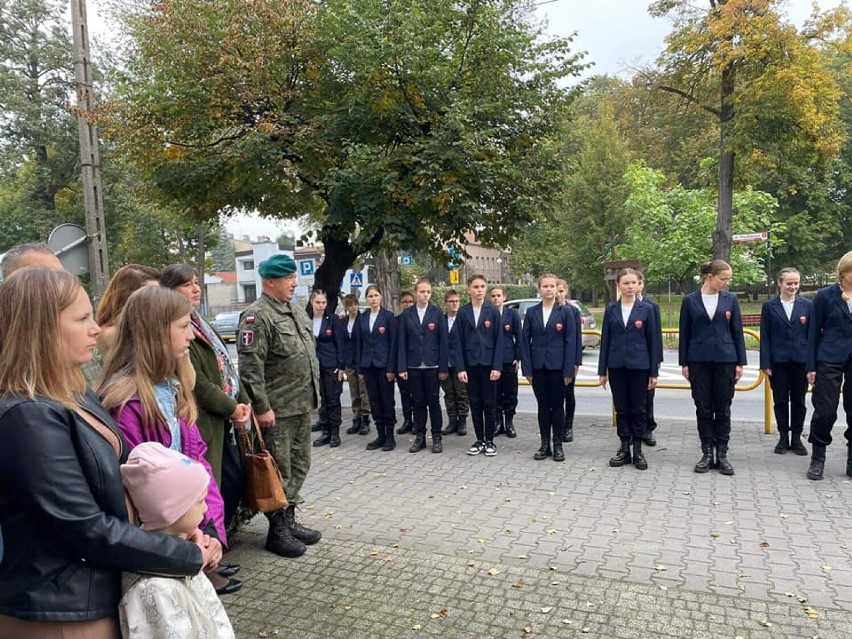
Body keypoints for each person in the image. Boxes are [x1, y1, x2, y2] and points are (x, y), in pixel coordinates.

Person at [0, 267, 207, 637]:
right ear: (40, 329)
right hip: (61, 610)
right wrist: (185, 555)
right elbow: (83, 527)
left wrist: (178, 530)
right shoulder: (27, 415)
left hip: (89, 591)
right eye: (81, 319)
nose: (96, 328)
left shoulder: (70, 392)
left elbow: (125, 469)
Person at [98, 286, 240, 595]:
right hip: (161, 552)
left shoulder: (171, 389)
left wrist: (210, 530)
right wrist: (192, 539)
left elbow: (198, 466)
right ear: (156, 333)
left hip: (185, 539)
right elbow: (145, 496)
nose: (191, 335)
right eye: (183, 326)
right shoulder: (127, 405)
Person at [237, 254, 322, 557]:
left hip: (301, 405)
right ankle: (277, 532)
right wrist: (261, 407)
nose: (294, 283)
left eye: (294, 277)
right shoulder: (257, 316)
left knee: (300, 465)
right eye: (288, 278)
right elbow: (250, 368)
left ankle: (290, 519)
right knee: (279, 471)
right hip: (277, 411)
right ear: (270, 281)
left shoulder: (295, 311)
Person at [160, 264, 251, 540]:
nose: (196, 288)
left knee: (231, 483)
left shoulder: (200, 323)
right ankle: (211, 549)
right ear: (170, 292)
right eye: (187, 284)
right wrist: (231, 407)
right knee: (209, 489)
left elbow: (225, 365)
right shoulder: (175, 327)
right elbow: (198, 383)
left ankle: (218, 542)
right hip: (204, 422)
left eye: (197, 282)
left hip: (221, 422)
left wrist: (243, 401)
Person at [119, 443, 236, 638]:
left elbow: (213, 612)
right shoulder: (153, 589)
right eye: (200, 502)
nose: (206, 509)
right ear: (172, 511)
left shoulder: (186, 552)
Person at [679, 259, 747, 476]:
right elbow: (685, 333)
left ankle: (723, 453)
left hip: (725, 360)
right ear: (710, 277)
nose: (726, 283)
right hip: (698, 360)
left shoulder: (731, 299)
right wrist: (684, 363)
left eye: (729, 279)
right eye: (723, 279)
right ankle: (707, 452)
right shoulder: (690, 300)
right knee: (703, 407)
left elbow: (737, 331)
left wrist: (740, 362)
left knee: (723, 408)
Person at [598, 268, 661, 471]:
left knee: (639, 409)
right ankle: (624, 447)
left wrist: (654, 372)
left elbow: (653, 342)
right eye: (626, 283)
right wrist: (602, 371)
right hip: (616, 366)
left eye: (633, 282)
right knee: (622, 408)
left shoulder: (647, 309)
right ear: (618, 285)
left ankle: (638, 449)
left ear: (639, 284)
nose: (630, 286)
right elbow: (605, 341)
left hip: (640, 366)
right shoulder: (611, 310)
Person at [805, 251, 852, 480]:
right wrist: (811, 366)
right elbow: (813, 332)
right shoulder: (825, 296)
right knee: (825, 409)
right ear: (843, 273)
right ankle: (818, 457)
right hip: (829, 357)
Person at [520, 274, 577, 462]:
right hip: (538, 367)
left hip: (558, 367)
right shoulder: (532, 312)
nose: (549, 289)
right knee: (543, 406)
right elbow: (524, 341)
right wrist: (527, 369)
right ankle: (544, 444)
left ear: (556, 288)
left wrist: (569, 370)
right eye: (545, 286)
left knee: (558, 406)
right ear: (539, 289)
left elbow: (571, 342)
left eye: (552, 286)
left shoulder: (565, 312)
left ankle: (558, 444)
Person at [759, 268, 811, 456]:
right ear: (780, 283)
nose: (793, 287)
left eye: (796, 283)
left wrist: (812, 363)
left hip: (800, 361)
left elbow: (812, 336)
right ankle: (783, 437)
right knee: (780, 400)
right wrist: (766, 363)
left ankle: (797, 438)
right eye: (789, 283)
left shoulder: (807, 305)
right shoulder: (769, 306)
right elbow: (765, 336)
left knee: (799, 401)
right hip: (778, 361)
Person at [397, 278, 449, 453]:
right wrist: (402, 367)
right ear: (415, 292)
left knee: (433, 402)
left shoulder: (437, 313)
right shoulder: (407, 315)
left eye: (428, 292)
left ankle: (436, 437)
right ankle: (420, 437)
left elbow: (443, 342)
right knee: (417, 402)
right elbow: (402, 342)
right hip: (413, 365)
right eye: (421, 291)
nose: (424, 295)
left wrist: (443, 367)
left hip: (432, 365)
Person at [455, 274, 503, 457]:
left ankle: (490, 440)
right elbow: (457, 341)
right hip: (470, 365)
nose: (479, 290)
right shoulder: (463, 312)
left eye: (482, 286)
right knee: (474, 403)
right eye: (475, 287)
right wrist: (460, 368)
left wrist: (497, 367)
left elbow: (499, 340)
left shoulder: (492, 311)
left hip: (489, 364)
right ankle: (479, 439)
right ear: (468, 289)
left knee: (489, 403)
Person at [353, 284, 397, 451]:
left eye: (376, 295)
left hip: (384, 366)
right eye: (370, 296)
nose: (373, 299)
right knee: (374, 401)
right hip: (368, 366)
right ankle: (380, 434)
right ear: (366, 298)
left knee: (387, 400)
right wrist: (359, 369)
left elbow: (393, 344)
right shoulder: (362, 318)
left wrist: (391, 368)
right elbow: (358, 344)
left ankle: (390, 436)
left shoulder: (388, 317)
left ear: (381, 297)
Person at [307, 290, 345, 448]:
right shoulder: (306, 319)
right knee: (322, 399)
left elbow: (340, 344)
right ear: (311, 302)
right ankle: (325, 432)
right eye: (318, 302)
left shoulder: (333, 320)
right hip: (314, 366)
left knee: (333, 399)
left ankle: (335, 433)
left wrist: (341, 366)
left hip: (331, 365)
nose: (321, 306)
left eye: (323, 303)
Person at [636, 272, 663, 447]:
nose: (634, 286)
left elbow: (656, 335)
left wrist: (657, 359)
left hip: (647, 358)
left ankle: (648, 428)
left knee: (648, 395)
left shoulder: (651, 306)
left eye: (638, 282)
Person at [490, 286, 520, 438]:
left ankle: (509, 423)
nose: (496, 298)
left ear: (504, 297)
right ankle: (497, 422)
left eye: (498, 295)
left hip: (509, 359)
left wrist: (518, 357)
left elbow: (518, 336)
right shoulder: (487, 314)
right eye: (493, 296)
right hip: (492, 361)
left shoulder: (512, 314)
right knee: (495, 393)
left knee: (510, 393)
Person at [342, 294, 371, 436]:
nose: (353, 307)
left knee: (363, 391)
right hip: (349, 362)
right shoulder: (344, 321)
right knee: (354, 392)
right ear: (346, 307)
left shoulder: (363, 320)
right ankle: (356, 419)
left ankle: (366, 420)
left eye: (355, 304)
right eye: (350, 305)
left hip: (361, 361)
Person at [556, 278, 582, 443]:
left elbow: (576, 339)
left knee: (568, 394)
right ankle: (558, 424)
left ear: (566, 292)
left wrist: (576, 362)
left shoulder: (573, 311)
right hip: (552, 360)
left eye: (561, 291)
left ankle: (568, 426)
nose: (558, 294)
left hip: (568, 359)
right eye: (556, 290)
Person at [440, 289, 469, 437]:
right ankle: (452, 420)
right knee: (449, 393)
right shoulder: (441, 320)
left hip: (460, 364)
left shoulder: (464, 320)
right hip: (446, 363)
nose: (454, 304)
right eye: (451, 301)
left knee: (462, 393)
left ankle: (462, 421)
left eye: (457, 301)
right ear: (445, 303)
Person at [394, 291, 416, 436]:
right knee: (404, 393)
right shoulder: (396, 321)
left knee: (416, 394)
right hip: (401, 363)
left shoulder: (417, 318)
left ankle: (417, 422)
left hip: (415, 363)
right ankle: (407, 420)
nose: (407, 304)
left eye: (409, 301)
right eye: (404, 302)